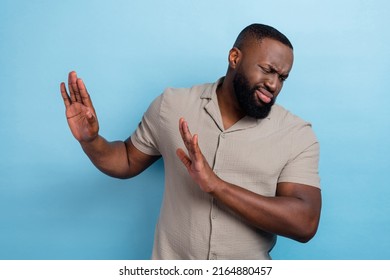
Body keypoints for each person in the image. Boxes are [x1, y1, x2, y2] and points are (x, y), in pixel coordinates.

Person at [60, 23, 321, 260]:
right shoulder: (172, 105)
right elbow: (126, 160)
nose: (274, 84)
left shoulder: (296, 134)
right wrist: (91, 141)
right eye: (267, 70)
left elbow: (305, 222)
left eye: (282, 77)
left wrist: (217, 186)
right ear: (234, 58)